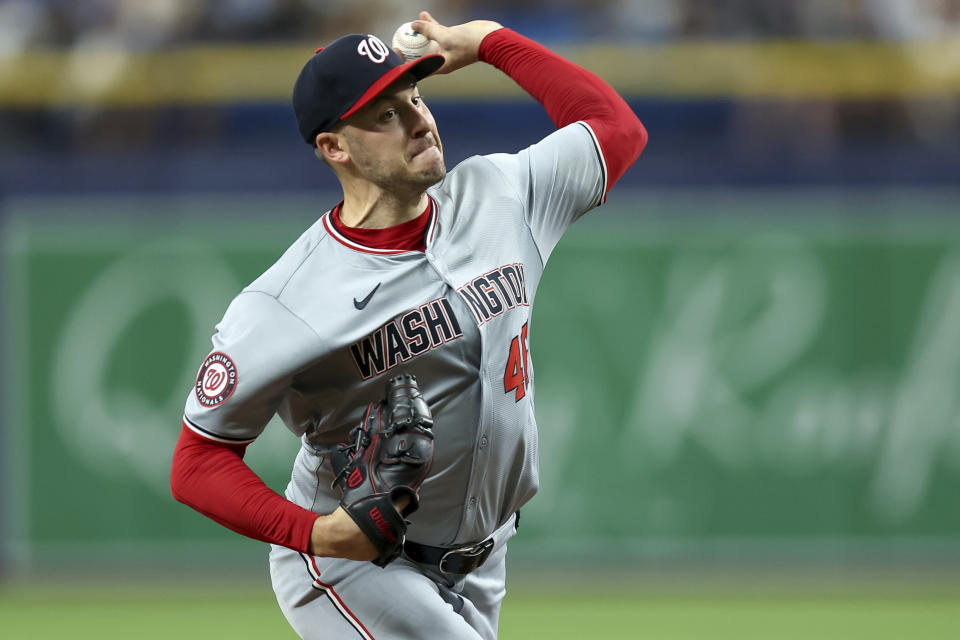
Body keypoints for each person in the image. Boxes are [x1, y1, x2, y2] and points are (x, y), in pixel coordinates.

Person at [170, 11, 647, 640]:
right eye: (386, 113)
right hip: (355, 569)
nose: (420, 119)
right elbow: (198, 461)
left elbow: (617, 129)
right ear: (335, 147)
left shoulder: (501, 194)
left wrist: (487, 43)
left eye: (416, 95)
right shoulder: (287, 301)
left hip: (484, 562)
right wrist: (315, 534)